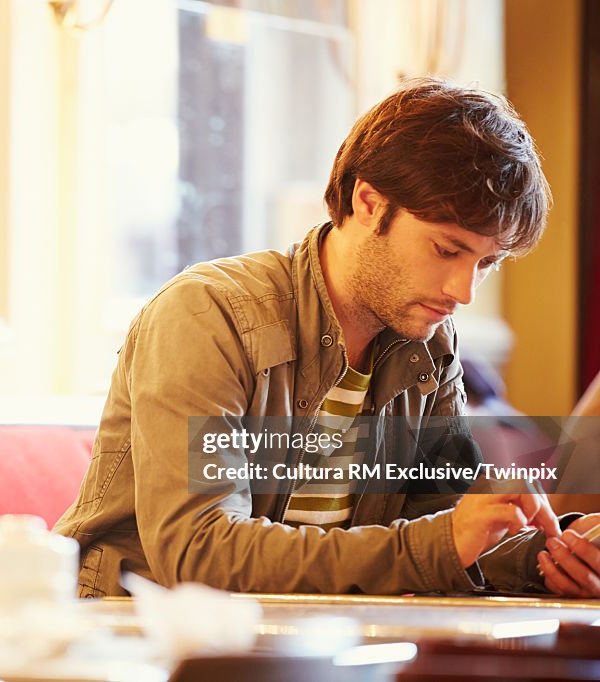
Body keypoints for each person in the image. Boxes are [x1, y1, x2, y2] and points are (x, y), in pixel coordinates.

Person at [54, 78, 600, 598]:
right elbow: (199, 555)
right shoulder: (206, 313)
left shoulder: (427, 345)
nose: (464, 291)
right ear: (367, 203)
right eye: (447, 250)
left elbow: (445, 523)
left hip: (305, 645)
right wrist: (439, 542)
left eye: (488, 263)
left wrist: (551, 555)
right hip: (134, 640)